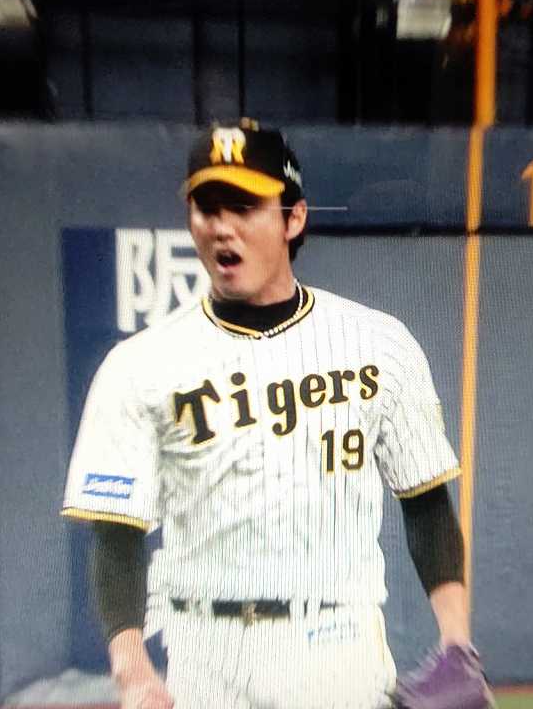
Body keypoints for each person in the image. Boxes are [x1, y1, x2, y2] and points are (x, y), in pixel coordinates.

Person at [62, 119, 490, 709]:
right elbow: (116, 534)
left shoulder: (379, 344)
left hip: (338, 646)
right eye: (207, 207)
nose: (222, 226)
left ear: (293, 219)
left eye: (244, 206)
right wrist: (133, 671)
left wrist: (456, 643)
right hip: (205, 655)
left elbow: (425, 501)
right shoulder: (139, 366)